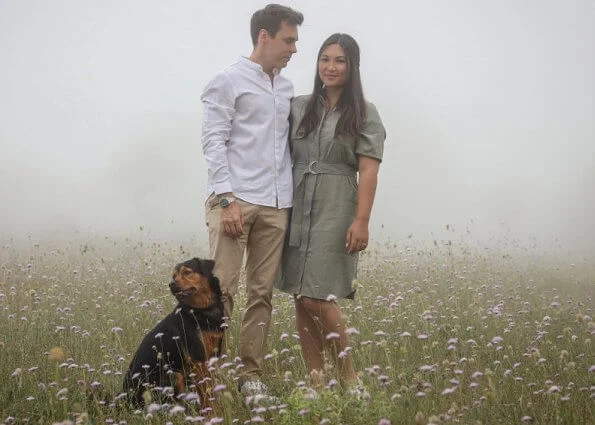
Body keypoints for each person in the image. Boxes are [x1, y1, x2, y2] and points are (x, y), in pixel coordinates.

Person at [200, 4, 303, 404]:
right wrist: (226, 200)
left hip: (277, 203)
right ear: (264, 36)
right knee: (220, 290)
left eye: (295, 41)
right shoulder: (227, 80)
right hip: (235, 199)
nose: (293, 48)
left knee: (261, 293)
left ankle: (251, 377)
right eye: (288, 40)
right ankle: (208, 376)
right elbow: (213, 141)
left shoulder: (287, 87)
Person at [276, 33, 386, 397]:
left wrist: (362, 220)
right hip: (298, 201)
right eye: (325, 59)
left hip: (337, 204)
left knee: (317, 295)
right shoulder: (300, 106)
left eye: (339, 60)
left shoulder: (365, 113)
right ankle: (316, 382)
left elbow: (368, 170)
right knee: (299, 294)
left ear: (352, 66)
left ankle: (351, 379)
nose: (331, 67)